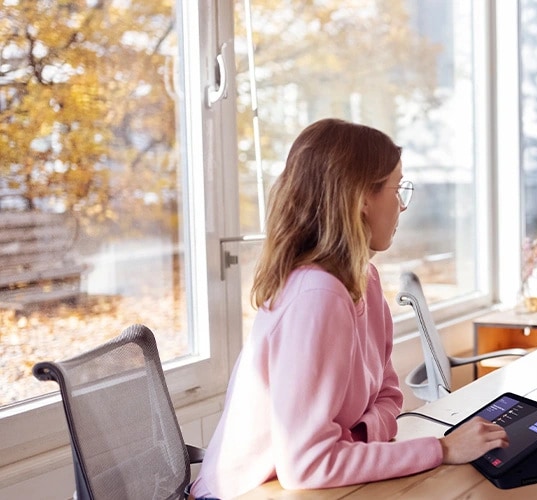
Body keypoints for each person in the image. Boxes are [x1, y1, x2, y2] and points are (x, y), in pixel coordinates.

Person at [190, 119, 509, 499]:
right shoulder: (316, 296)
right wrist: (442, 449)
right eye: (397, 189)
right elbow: (306, 465)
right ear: (361, 199)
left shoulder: (364, 281)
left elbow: (390, 396)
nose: (402, 206)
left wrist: (355, 437)